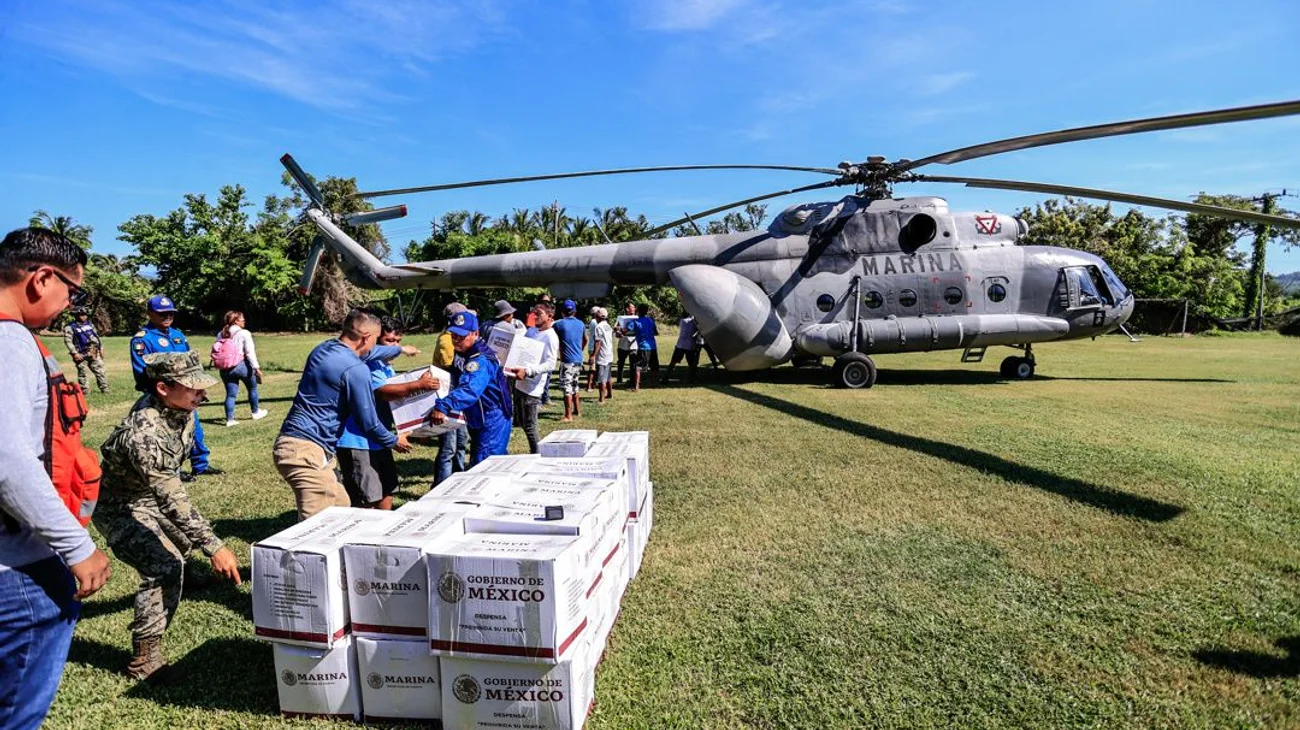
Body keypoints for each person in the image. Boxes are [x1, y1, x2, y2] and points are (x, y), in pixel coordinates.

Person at [0, 227, 112, 729]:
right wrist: (76, 546)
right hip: (17, 571)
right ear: (42, 278)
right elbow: (7, 459)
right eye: (73, 290)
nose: (72, 304)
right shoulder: (9, 343)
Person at [95, 352, 242, 682]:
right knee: (163, 566)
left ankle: (186, 579)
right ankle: (145, 658)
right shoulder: (144, 434)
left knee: (181, 541)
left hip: (148, 494)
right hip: (119, 507)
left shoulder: (181, 410)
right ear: (162, 388)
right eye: (193, 389)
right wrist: (215, 546)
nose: (202, 395)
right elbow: (172, 499)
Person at [273, 310, 418, 521]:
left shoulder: (324, 350)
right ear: (367, 337)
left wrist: (399, 349)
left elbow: (373, 352)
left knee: (342, 507)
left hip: (297, 444)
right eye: (376, 340)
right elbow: (368, 423)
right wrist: (394, 440)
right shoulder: (356, 370)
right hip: (304, 453)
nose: (376, 346)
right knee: (316, 527)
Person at [336, 318, 437, 510]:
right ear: (374, 341)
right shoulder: (366, 364)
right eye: (389, 341)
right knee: (366, 498)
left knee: (386, 489)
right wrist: (418, 386)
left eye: (398, 341)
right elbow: (384, 392)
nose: (395, 346)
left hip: (379, 438)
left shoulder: (385, 365)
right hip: (357, 441)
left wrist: (411, 427)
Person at [130, 295, 221, 480]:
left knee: (194, 429)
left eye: (171, 313)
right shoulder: (142, 340)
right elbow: (142, 371)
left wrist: (197, 387)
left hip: (186, 394)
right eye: (162, 313)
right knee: (167, 434)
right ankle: (173, 471)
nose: (167, 317)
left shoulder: (178, 335)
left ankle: (200, 465)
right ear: (150, 314)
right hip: (164, 397)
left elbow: (191, 365)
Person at [428, 310, 513, 465]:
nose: (456, 340)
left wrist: (444, 406)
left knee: (485, 466)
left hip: (492, 416)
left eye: (461, 336)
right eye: (453, 336)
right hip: (479, 415)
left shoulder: (479, 360)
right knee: (493, 463)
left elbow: (470, 390)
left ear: (475, 333)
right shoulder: (465, 353)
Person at [507, 301, 558, 453]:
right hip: (519, 383)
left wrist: (528, 371)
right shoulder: (531, 331)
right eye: (534, 312)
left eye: (539, 313)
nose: (535, 316)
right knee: (521, 423)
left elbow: (550, 364)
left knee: (530, 427)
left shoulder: (551, 337)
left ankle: (538, 456)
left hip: (533, 388)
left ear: (549, 316)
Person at [433, 303, 469, 486]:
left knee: (461, 443)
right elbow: (451, 366)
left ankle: (458, 481)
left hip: (457, 399)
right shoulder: (447, 340)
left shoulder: (453, 338)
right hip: (447, 399)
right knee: (449, 448)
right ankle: (442, 486)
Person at [213, 310, 268, 427]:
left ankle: (230, 420)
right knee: (252, 388)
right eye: (242, 319)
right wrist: (256, 368)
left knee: (231, 394)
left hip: (226, 369)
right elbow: (249, 352)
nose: (244, 321)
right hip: (241, 365)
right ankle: (256, 412)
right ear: (236, 321)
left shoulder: (220, 334)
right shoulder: (244, 333)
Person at [551, 299, 586, 422]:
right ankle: (577, 410)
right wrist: (579, 350)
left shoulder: (558, 324)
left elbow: (551, 338)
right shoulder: (581, 324)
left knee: (567, 387)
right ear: (574, 311)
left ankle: (568, 415)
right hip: (578, 359)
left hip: (567, 360)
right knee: (575, 385)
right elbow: (585, 339)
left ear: (562, 312)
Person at [63, 306, 109, 394]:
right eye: (81, 315)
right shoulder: (70, 327)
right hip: (80, 353)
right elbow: (68, 341)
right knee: (82, 373)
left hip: (93, 352)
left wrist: (100, 348)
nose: (84, 317)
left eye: (85, 315)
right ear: (76, 315)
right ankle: (85, 391)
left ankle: (105, 389)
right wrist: (74, 353)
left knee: (101, 371)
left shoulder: (90, 325)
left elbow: (96, 337)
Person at [664, 311, 703, 383]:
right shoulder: (694, 322)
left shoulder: (682, 321)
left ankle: (666, 377)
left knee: (673, 362)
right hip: (690, 345)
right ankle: (691, 379)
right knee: (691, 364)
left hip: (680, 344)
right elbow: (700, 329)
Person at [631, 303, 660, 391]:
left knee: (638, 367)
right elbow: (656, 332)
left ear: (638, 311)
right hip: (653, 346)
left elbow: (625, 331)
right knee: (654, 366)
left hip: (643, 347)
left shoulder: (636, 322)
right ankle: (654, 383)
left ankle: (636, 387)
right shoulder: (651, 320)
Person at [591, 307, 614, 403]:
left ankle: (601, 399)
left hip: (602, 355)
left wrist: (593, 355)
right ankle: (609, 394)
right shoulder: (608, 326)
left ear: (597, 316)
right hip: (609, 353)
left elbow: (598, 342)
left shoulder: (598, 327)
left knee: (601, 378)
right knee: (608, 376)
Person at [615, 302, 638, 384]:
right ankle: (619, 380)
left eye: (634, 307)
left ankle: (632, 380)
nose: (633, 309)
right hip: (623, 344)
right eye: (632, 307)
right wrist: (618, 332)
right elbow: (616, 330)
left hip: (634, 344)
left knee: (633, 364)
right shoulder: (620, 318)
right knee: (621, 363)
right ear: (627, 309)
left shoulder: (638, 318)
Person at [584, 306, 599, 392]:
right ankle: (589, 385)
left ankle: (593, 384)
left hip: (593, 346)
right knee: (592, 367)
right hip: (593, 346)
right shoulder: (594, 321)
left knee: (594, 367)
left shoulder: (593, 321)